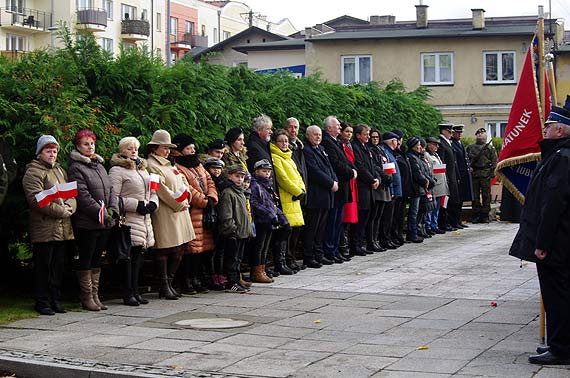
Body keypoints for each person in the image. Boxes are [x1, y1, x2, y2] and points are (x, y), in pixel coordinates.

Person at [509, 97, 570, 365]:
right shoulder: (558, 155)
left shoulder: (562, 158)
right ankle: (558, 343)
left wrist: (542, 242)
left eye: (548, 126)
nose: (544, 130)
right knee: (557, 296)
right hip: (559, 242)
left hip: (557, 243)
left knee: (558, 296)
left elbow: (554, 204)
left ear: (560, 130)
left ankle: (561, 348)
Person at [22, 135, 76, 315]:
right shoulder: (33, 172)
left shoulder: (60, 170)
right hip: (44, 227)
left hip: (63, 226)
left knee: (58, 266)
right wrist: (62, 211)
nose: (52, 154)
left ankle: (55, 299)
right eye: (48, 150)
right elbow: (37, 200)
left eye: (54, 151)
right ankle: (42, 301)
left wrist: (70, 207)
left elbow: (71, 194)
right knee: (44, 267)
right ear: (40, 152)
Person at [68, 129, 117, 311]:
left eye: (92, 144)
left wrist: (112, 210)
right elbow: (82, 195)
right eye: (86, 144)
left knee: (97, 258)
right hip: (87, 221)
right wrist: (101, 213)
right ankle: (86, 296)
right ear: (78, 147)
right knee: (87, 258)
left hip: (104, 221)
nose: (90, 147)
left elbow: (111, 190)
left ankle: (95, 295)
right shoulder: (76, 167)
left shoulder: (99, 165)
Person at [146, 130, 195, 300]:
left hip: (180, 210)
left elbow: (183, 182)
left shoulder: (170, 164)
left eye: (168, 148)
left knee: (179, 248)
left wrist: (187, 195)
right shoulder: (151, 164)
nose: (167, 151)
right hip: (166, 211)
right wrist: (179, 203)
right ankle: (164, 284)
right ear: (155, 148)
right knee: (165, 248)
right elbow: (160, 189)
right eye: (164, 147)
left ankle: (170, 282)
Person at [109, 137, 157, 306]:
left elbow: (152, 190)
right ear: (122, 151)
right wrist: (136, 205)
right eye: (129, 148)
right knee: (128, 257)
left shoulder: (143, 170)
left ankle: (136, 290)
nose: (133, 151)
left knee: (138, 257)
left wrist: (153, 203)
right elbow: (114, 198)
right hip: (129, 218)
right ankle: (127, 292)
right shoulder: (117, 171)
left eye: (135, 148)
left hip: (144, 219)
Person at [171, 134, 218, 294]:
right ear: (180, 150)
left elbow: (209, 180)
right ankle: (186, 280)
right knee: (191, 248)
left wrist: (212, 197)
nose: (192, 151)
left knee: (203, 248)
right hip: (193, 211)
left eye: (193, 148)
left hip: (205, 211)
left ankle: (197, 278)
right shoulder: (178, 167)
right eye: (188, 148)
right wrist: (205, 201)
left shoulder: (198, 164)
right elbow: (187, 188)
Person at [320, 116, 357, 263]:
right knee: (332, 222)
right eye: (337, 126)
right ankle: (330, 250)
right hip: (337, 186)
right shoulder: (327, 141)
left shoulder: (336, 141)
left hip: (342, 188)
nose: (339, 128)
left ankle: (334, 250)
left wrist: (353, 169)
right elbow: (335, 163)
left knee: (338, 222)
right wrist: (350, 172)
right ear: (329, 128)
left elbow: (346, 160)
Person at [249, 159, 291, 282]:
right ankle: (256, 272)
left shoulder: (268, 186)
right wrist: (270, 214)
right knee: (258, 247)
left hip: (269, 221)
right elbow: (254, 203)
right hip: (261, 220)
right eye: (264, 171)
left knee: (265, 247)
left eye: (268, 171)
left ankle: (262, 269)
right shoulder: (255, 185)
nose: (266, 174)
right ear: (256, 171)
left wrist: (282, 218)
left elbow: (273, 204)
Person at [302, 125, 338, 268]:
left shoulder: (322, 149)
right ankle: (309, 256)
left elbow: (330, 168)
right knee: (312, 227)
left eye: (319, 135)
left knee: (321, 227)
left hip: (326, 195)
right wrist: (330, 183)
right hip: (316, 194)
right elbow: (314, 171)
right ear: (308, 136)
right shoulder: (307, 151)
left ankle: (319, 254)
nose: (318, 137)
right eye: (315, 134)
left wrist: (335, 180)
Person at [270, 130, 305, 272]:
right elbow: (283, 179)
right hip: (287, 198)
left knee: (295, 231)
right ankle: (282, 261)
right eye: (281, 141)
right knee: (285, 232)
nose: (284, 143)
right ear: (275, 143)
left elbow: (298, 175)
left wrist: (302, 189)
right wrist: (297, 191)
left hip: (296, 198)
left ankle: (290, 260)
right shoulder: (276, 157)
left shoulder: (289, 157)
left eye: (286, 141)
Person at [218, 164, 254, 293]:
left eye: (242, 177)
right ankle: (231, 282)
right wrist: (231, 230)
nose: (239, 179)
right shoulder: (228, 193)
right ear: (230, 176)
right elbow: (226, 215)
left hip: (243, 232)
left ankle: (237, 280)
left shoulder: (241, 192)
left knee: (238, 259)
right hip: (234, 233)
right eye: (237, 176)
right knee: (232, 259)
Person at [351, 124, 380, 255]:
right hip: (362, 187)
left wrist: (377, 178)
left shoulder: (366, 148)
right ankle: (355, 244)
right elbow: (360, 167)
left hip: (370, 187)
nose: (368, 136)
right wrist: (371, 179)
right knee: (361, 217)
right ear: (358, 135)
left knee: (367, 217)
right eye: (365, 134)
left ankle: (361, 243)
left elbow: (373, 166)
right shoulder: (356, 147)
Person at [467, 128, 498, 223]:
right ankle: (476, 214)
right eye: (478, 133)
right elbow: (466, 159)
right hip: (474, 174)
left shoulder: (489, 148)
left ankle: (485, 215)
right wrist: (469, 168)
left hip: (485, 174)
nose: (480, 135)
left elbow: (494, 161)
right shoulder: (470, 147)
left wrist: (492, 174)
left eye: (482, 133)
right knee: (475, 196)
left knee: (486, 196)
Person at [406, 137, 433, 243]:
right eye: (417, 144)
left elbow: (423, 171)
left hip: (421, 188)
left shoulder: (417, 157)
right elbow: (417, 172)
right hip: (415, 188)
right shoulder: (412, 157)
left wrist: (429, 180)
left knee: (420, 211)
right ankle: (412, 233)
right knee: (414, 212)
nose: (419, 147)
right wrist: (425, 181)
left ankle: (417, 231)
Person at [369, 129, 392, 250]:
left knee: (379, 216)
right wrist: (383, 176)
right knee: (374, 215)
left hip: (385, 184)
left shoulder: (381, 150)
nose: (375, 139)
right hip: (378, 184)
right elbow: (375, 167)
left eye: (377, 137)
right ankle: (371, 240)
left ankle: (376, 239)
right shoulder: (371, 150)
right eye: (373, 137)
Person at [338, 123, 357, 260]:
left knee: (350, 218)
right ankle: (343, 246)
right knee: (344, 217)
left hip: (352, 181)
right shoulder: (340, 145)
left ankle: (347, 245)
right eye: (346, 131)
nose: (349, 134)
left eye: (351, 131)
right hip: (346, 181)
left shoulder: (350, 146)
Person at [437, 123, 460, 231]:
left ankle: (451, 222)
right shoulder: (441, 144)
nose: (451, 134)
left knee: (451, 200)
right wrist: (445, 177)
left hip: (452, 176)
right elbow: (442, 162)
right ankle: (444, 222)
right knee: (445, 202)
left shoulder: (447, 143)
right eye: (449, 131)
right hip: (447, 177)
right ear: (443, 131)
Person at [382, 132, 404, 245]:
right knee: (388, 217)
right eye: (396, 140)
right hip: (392, 189)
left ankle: (390, 237)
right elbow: (388, 173)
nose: (398, 143)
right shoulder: (386, 153)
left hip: (396, 189)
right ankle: (386, 238)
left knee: (393, 216)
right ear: (391, 141)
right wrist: (392, 190)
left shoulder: (391, 153)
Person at [424, 137, 448, 234]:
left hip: (441, 184)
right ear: (429, 145)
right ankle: (429, 226)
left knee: (437, 206)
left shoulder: (436, 155)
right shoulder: (426, 155)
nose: (437, 147)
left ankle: (434, 224)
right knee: (431, 207)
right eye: (435, 144)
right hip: (434, 184)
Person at [450, 124, 472, 228]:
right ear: (453, 133)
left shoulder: (460, 143)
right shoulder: (452, 144)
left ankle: (458, 220)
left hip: (464, 175)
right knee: (456, 200)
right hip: (458, 175)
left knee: (461, 199)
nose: (460, 134)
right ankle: (454, 221)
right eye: (457, 133)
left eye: (460, 132)